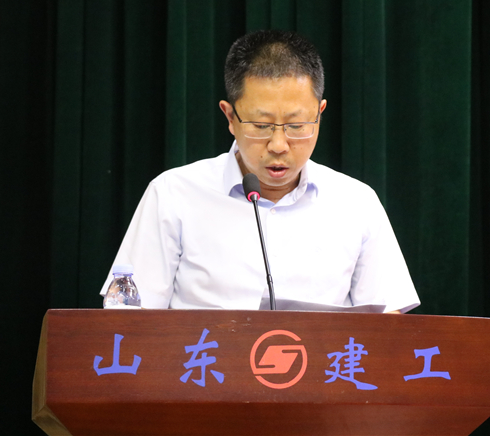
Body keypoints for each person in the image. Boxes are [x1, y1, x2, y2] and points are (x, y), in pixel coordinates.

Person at [100, 30, 419, 313]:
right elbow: (130, 319)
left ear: (320, 114)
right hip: (204, 363)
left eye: (297, 125)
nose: (279, 145)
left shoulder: (357, 202)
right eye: (261, 126)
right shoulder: (173, 194)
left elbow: (388, 326)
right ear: (230, 117)